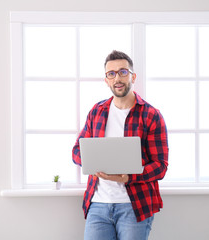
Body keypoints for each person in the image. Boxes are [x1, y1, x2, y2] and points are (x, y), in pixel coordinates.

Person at [72, 50, 169, 240]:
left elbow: (160, 167)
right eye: (111, 73)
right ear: (106, 80)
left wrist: (129, 177)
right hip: (98, 205)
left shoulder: (151, 115)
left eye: (123, 72)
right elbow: (76, 151)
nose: (117, 78)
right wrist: (91, 162)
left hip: (134, 206)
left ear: (133, 76)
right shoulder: (97, 112)